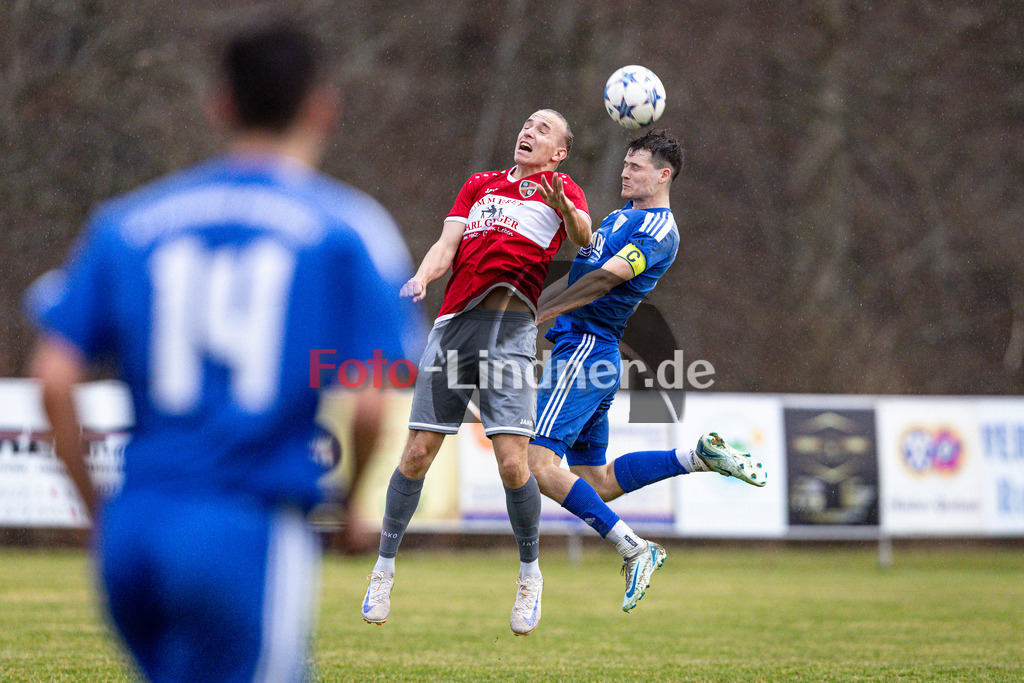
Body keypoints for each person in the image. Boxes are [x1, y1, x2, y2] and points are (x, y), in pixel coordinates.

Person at [26, 22, 414, 681]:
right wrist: (350, 507)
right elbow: (373, 405)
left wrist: (98, 509)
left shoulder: (127, 221)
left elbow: (55, 376)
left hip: (137, 529)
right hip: (245, 530)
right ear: (321, 107)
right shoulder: (348, 230)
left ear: (220, 104)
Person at [361, 109, 592, 636]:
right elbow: (448, 247)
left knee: (514, 467)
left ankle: (530, 574)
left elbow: (585, 234)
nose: (528, 131)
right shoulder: (480, 185)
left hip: (510, 333)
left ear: (559, 152)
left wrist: (566, 208)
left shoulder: (562, 188)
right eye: (527, 124)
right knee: (418, 453)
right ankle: (383, 568)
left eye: (543, 130)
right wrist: (421, 276)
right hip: (453, 328)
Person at [527, 129, 767, 613]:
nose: (624, 172)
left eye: (635, 166)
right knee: (597, 481)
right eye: (625, 163)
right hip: (593, 355)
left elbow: (601, 279)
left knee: (539, 465)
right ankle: (695, 458)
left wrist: (536, 312)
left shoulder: (659, 231)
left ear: (663, 175)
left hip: (584, 351)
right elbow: (584, 258)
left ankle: (634, 547)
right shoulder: (620, 216)